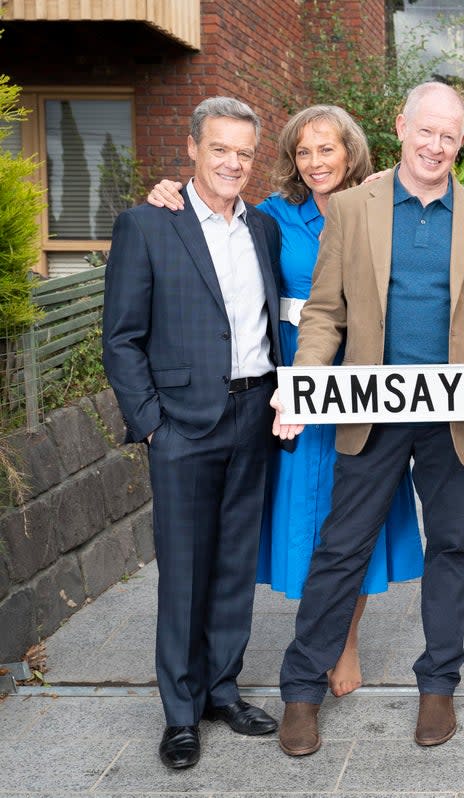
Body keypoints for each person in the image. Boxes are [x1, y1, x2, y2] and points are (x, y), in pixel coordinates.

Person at [271, 81, 464, 756]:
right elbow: (325, 312)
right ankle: (301, 689)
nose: (435, 146)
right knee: (340, 547)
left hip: (453, 417)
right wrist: (302, 388)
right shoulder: (353, 211)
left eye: (449, 136)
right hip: (371, 410)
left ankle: (438, 685)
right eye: (426, 132)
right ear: (401, 126)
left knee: (452, 549)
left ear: (460, 142)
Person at [145, 105, 424, 699]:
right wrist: (168, 187)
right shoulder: (272, 217)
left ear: (351, 152)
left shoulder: (385, 205)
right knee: (305, 510)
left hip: (366, 381)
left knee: (359, 511)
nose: (316, 162)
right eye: (303, 151)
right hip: (293, 382)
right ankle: (312, 642)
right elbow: (212, 212)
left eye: (327, 149)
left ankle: (344, 641)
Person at [102, 96, 283, 769]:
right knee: (184, 572)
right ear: (192, 149)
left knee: (235, 566)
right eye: (220, 149)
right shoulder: (149, 224)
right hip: (180, 425)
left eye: (243, 152)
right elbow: (120, 338)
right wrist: (151, 425)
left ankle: (221, 690)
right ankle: (180, 713)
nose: (233, 162)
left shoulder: (261, 228)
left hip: (252, 414)